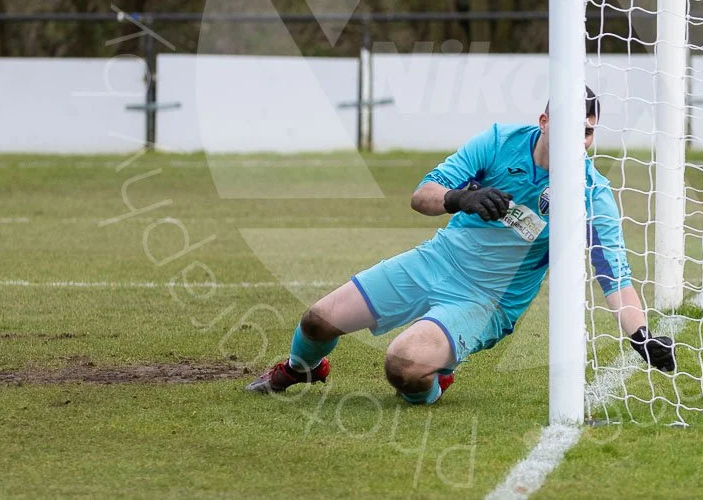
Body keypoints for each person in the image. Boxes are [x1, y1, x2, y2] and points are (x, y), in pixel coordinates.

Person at [247, 89, 676, 403]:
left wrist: (641, 337)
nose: (579, 141)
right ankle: (302, 368)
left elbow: (613, 275)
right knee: (318, 320)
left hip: (485, 301)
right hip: (436, 261)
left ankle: (435, 380)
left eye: (588, 133)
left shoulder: (591, 193)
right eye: (570, 129)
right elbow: (422, 195)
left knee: (403, 367)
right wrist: (461, 199)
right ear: (544, 123)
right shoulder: (496, 142)